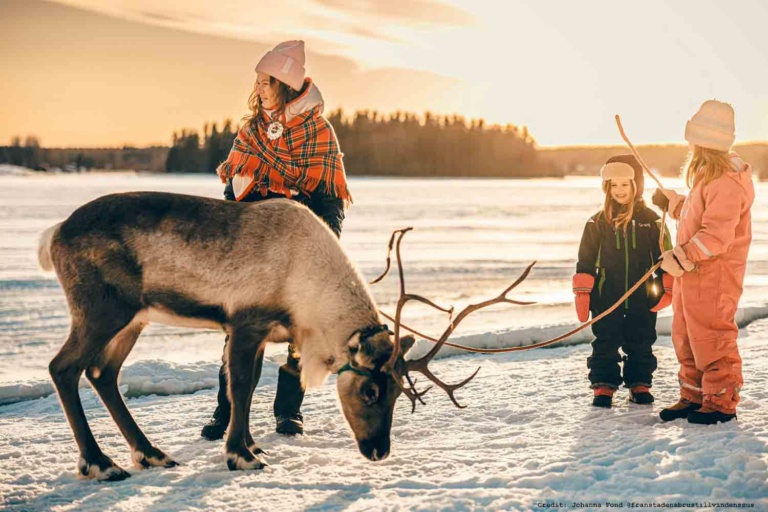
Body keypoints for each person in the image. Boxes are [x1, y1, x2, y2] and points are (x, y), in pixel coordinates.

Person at [202, 40, 352, 440]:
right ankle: (226, 411)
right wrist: (240, 203)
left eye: (265, 81)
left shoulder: (319, 132)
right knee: (241, 332)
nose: (259, 87)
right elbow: (231, 196)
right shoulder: (251, 130)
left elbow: (330, 199)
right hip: (252, 252)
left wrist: (323, 248)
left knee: (298, 336)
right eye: (258, 81)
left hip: (299, 254)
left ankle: (289, 412)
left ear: (284, 84)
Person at [653, 100, 754, 425]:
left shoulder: (726, 181)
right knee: (685, 334)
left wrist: (682, 255)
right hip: (691, 275)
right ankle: (694, 395)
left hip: (715, 276)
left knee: (711, 336)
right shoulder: (706, 177)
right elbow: (698, 218)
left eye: (695, 139)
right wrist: (674, 205)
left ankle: (721, 400)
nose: (690, 145)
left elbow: (715, 234)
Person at [573, 154, 672, 408]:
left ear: (635, 185)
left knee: (641, 339)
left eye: (624, 185)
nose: (619, 191)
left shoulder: (652, 220)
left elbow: (665, 257)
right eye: (613, 185)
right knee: (605, 340)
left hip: (643, 293)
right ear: (606, 187)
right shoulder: (597, 222)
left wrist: (666, 284)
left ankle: (639, 383)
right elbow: (585, 259)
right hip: (607, 294)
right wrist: (584, 291)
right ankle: (604, 385)